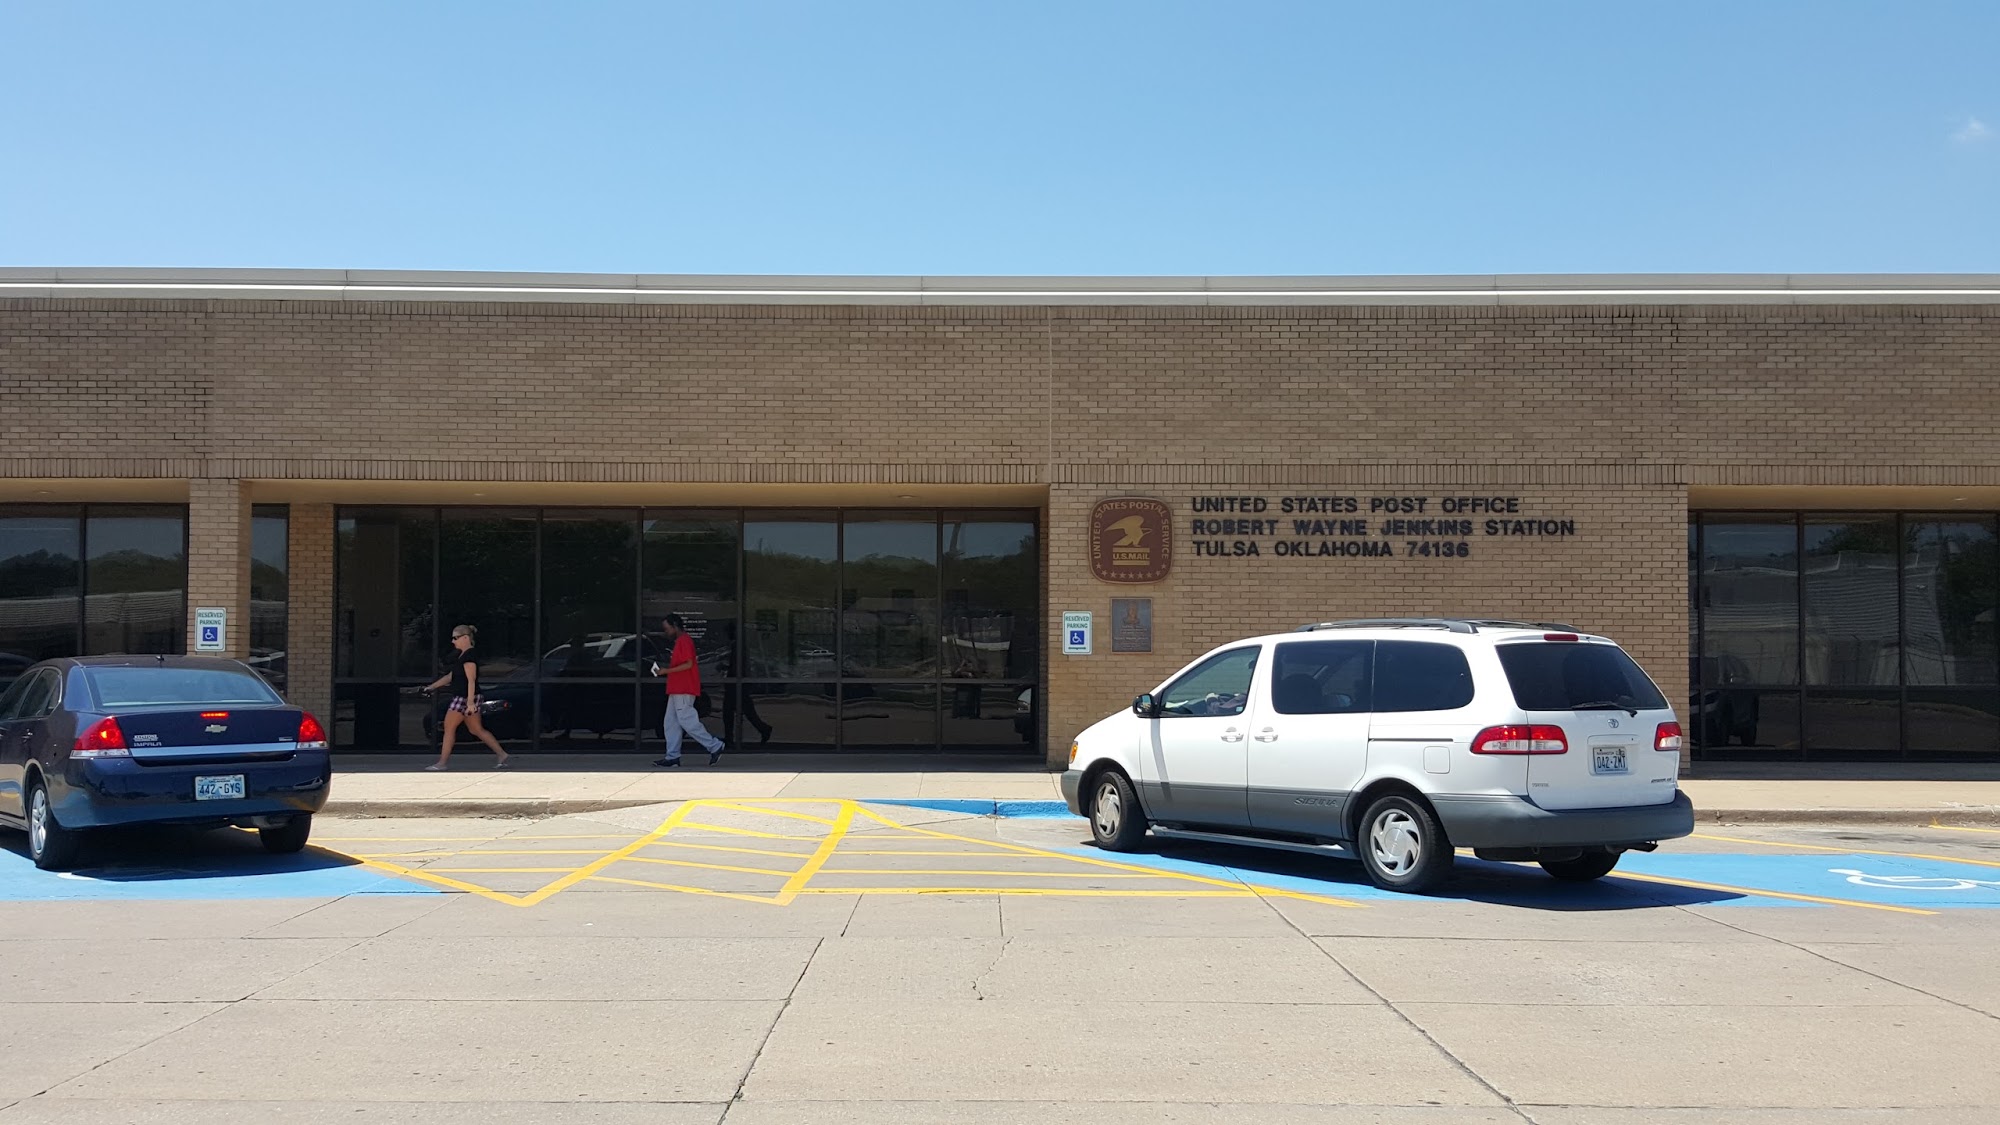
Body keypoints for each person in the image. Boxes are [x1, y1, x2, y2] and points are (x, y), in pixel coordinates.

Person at [421, 624, 510, 771]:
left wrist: (470, 703)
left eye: (455, 638)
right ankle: (502, 754)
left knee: (449, 728)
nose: (453, 641)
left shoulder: (469, 656)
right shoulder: (461, 656)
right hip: (467, 697)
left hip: (464, 698)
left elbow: (471, 680)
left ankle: (442, 763)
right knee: (476, 729)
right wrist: (432, 687)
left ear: (465, 638)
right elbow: (450, 676)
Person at [652, 614, 725, 767]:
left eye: (667, 628)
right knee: (671, 722)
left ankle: (714, 745)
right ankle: (672, 757)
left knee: (686, 720)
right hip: (678, 688)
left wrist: (666, 671)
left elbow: (688, 664)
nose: (666, 632)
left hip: (683, 688)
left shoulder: (684, 641)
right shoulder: (682, 641)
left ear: (675, 625)